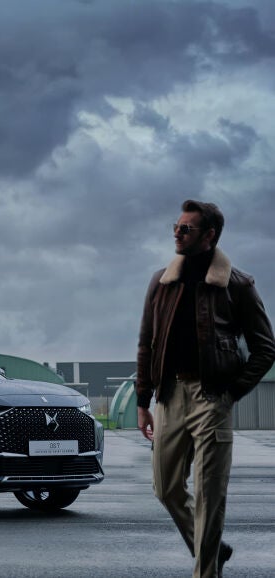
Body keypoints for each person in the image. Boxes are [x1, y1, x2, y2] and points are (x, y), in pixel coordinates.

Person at [136, 199, 275, 578]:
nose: (177, 234)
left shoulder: (237, 285)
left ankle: (207, 571)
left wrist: (231, 393)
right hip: (169, 396)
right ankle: (211, 546)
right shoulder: (161, 281)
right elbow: (146, 343)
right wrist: (143, 401)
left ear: (209, 235)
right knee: (165, 488)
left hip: (212, 396)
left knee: (210, 494)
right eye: (176, 227)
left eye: (186, 229)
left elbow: (266, 348)